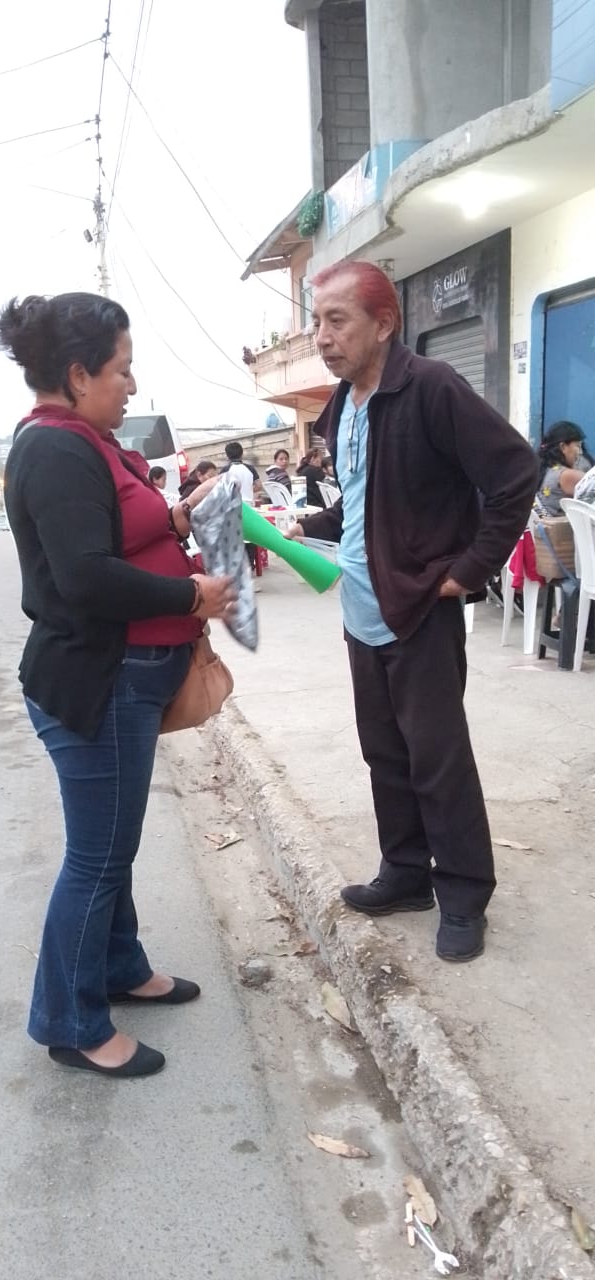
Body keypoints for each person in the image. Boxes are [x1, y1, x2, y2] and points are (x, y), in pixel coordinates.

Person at [0, 291, 236, 1079]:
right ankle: (69, 1021)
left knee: (113, 844)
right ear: (78, 374)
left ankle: (121, 967)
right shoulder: (56, 451)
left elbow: (118, 532)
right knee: (98, 857)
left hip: (126, 680)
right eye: (122, 370)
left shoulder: (85, 442)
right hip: (98, 684)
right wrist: (189, 596)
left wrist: (176, 517)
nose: (131, 385)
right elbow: (87, 578)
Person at [285, 261, 538, 962]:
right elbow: (371, 496)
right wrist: (310, 526)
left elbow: (515, 473)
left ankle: (463, 893)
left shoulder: (431, 386)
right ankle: (405, 872)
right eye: (317, 322)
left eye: (337, 321)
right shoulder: (342, 404)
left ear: (383, 325)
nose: (322, 337)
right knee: (385, 753)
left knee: (438, 758)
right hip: (361, 610)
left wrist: (469, 569)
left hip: (420, 607)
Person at [536, 421, 590, 514]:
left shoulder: (546, 470)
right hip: (559, 524)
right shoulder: (566, 475)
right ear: (563, 447)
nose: (580, 452)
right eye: (578, 446)